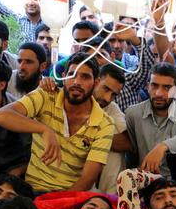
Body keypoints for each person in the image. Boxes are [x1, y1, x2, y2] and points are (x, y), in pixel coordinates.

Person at [0, 52, 115, 194]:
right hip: (33, 191)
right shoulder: (46, 96)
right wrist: (44, 129)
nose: (77, 82)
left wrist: (56, 204)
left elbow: (87, 179)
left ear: (96, 83)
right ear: (64, 77)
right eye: (72, 74)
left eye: (85, 77)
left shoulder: (105, 123)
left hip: (71, 196)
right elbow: (1, 115)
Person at [39, 63, 132, 195]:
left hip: (88, 173)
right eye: (105, 89)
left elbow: (127, 144)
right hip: (54, 167)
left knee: (112, 145)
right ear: (95, 81)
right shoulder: (63, 94)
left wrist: (93, 138)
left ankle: (109, 199)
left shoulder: (111, 108)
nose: (107, 98)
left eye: (113, 95)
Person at [125, 62, 176, 179]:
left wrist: (164, 146)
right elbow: (132, 153)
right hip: (149, 180)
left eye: (166, 87)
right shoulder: (133, 114)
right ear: (148, 87)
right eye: (154, 86)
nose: (159, 93)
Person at [0, 59, 31, 175]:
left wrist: (12, 175)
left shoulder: (19, 110)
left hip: (10, 174)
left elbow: (33, 153)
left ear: (1, 85)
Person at [50, 20, 101, 85]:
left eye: (86, 41)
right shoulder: (60, 68)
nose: (80, 45)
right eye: (77, 41)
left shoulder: (111, 63)